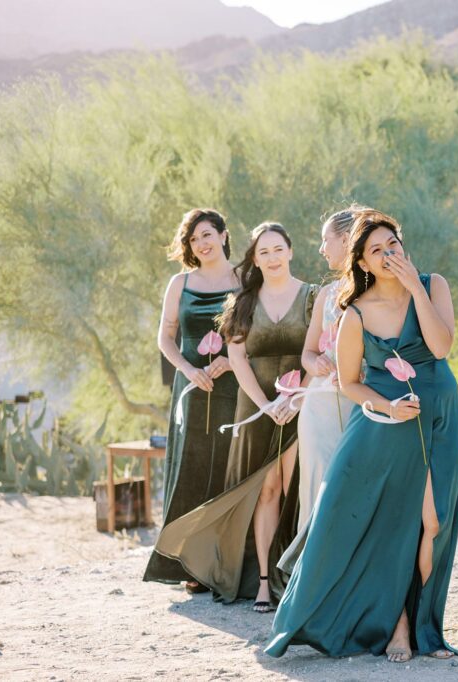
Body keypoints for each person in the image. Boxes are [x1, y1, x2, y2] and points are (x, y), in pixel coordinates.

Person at [265, 209, 458, 661]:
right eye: (377, 250)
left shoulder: (433, 286)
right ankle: (400, 626)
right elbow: (350, 383)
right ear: (362, 262)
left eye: (393, 244)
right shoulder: (354, 312)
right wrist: (388, 407)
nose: (388, 254)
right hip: (385, 423)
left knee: (435, 523)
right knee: (394, 525)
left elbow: (441, 347)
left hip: (439, 415)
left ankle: (425, 624)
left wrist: (415, 288)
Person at [153, 222, 316, 612]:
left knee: (300, 493)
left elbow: (319, 353)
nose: (272, 258)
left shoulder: (314, 296)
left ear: (291, 251)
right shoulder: (243, 301)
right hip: (256, 405)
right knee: (264, 491)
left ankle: (301, 580)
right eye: (263, 252)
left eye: (278, 249)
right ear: (254, 259)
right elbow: (238, 356)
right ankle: (262, 583)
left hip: (301, 404)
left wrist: (298, 398)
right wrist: (264, 405)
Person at [143, 208, 238, 593]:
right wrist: (186, 369)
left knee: (228, 468)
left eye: (207, 234)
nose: (201, 243)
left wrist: (232, 362)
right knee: (192, 468)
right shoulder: (179, 283)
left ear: (223, 235)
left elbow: (259, 330)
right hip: (192, 388)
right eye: (194, 238)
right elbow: (165, 337)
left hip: (234, 386)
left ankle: (226, 563)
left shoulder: (245, 278)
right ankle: (188, 565)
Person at [277, 207, 365, 573]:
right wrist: (317, 365)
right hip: (319, 407)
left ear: (346, 240)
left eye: (326, 239)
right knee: (316, 486)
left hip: (363, 405)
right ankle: (312, 575)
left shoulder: (377, 291)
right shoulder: (327, 294)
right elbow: (308, 353)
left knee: (356, 487)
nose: (321, 248)